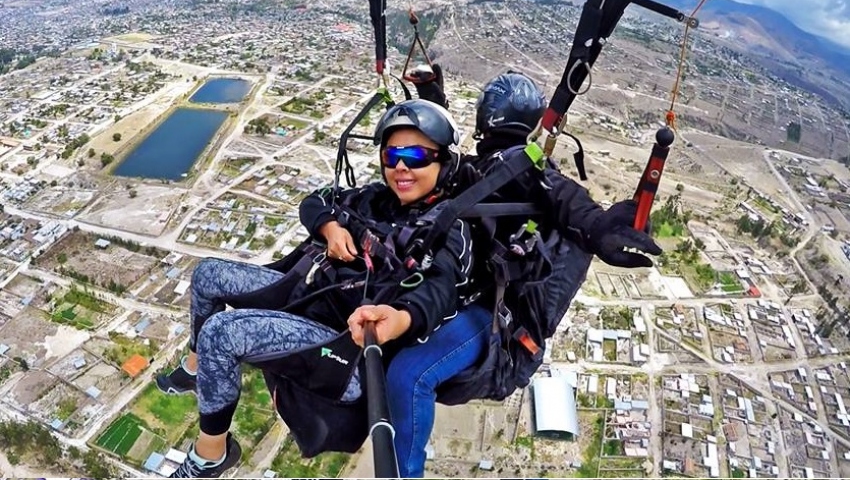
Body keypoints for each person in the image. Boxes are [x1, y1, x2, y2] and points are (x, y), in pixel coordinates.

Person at [155, 99, 474, 478]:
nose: (401, 166)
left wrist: (400, 318)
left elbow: (441, 288)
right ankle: (195, 370)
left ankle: (211, 455)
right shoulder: (375, 198)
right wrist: (329, 227)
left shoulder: (448, 227)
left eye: (418, 155)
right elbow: (316, 201)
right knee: (207, 275)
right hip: (310, 297)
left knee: (221, 333)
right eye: (392, 155)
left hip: (344, 344)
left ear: (444, 160)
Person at [387, 69, 663, 477]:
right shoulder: (494, 165)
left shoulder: (518, 164)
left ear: (486, 118)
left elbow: (557, 192)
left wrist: (596, 226)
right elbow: (461, 168)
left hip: (491, 315)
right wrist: (433, 98)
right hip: (462, 294)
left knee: (410, 377)